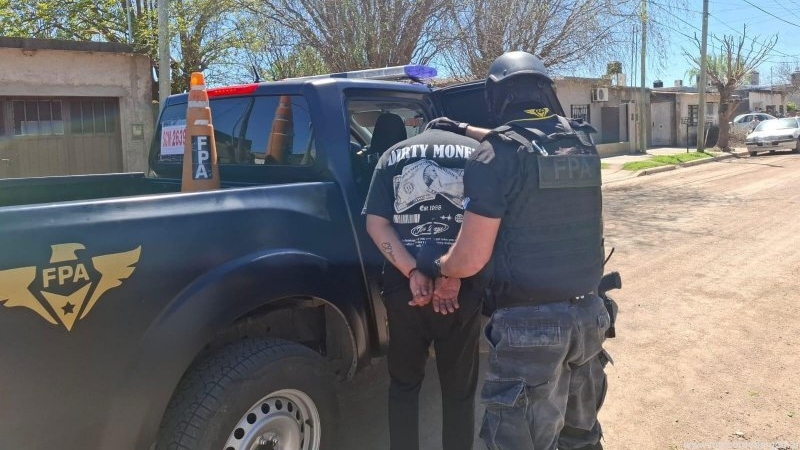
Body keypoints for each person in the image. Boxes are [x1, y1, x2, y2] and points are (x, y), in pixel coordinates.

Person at [418, 51, 611, 450]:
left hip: (531, 326)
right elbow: (527, 141)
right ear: (545, 90)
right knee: (581, 436)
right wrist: (463, 129)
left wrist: (438, 265)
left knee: (518, 440)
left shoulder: (493, 157)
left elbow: (469, 259)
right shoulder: (581, 141)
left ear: (496, 97)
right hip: (590, 315)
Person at [362, 121, 484, 450]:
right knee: (459, 391)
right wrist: (453, 274)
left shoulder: (390, 156)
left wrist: (414, 271)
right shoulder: (477, 154)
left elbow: (376, 224)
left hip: (406, 290)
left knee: (403, 386)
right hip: (460, 290)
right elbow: (490, 224)